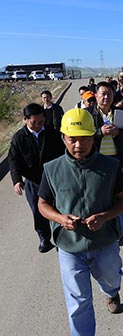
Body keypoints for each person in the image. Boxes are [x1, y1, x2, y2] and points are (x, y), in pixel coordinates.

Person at [38, 108, 123, 336]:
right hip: (69, 247)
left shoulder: (110, 167)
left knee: (111, 278)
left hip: (104, 244)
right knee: (78, 301)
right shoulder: (52, 170)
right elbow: (43, 204)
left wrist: (105, 216)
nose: (79, 145)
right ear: (63, 137)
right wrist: (59, 218)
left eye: (84, 138)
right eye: (72, 139)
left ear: (93, 136)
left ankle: (111, 291)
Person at [8, 103, 64, 252]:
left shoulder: (52, 134)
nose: (39, 125)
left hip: (53, 179)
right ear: (25, 119)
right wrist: (17, 180)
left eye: (41, 121)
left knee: (57, 209)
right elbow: (13, 161)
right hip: (33, 181)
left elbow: (63, 155)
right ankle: (44, 238)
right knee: (38, 211)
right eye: (34, 122)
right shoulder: (19, 138)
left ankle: (59, 237)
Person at [88, 81, 123, 242]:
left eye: (109, 94)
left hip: (116, 160)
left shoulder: (120, 112)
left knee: (121, 196)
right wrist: (99, 132)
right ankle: (101, 228)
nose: (106, 97)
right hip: (96, 162)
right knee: (98, 197)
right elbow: (83, 136)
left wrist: (118, 133)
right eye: (103, 94)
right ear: (95, 95)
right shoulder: (87, 114)